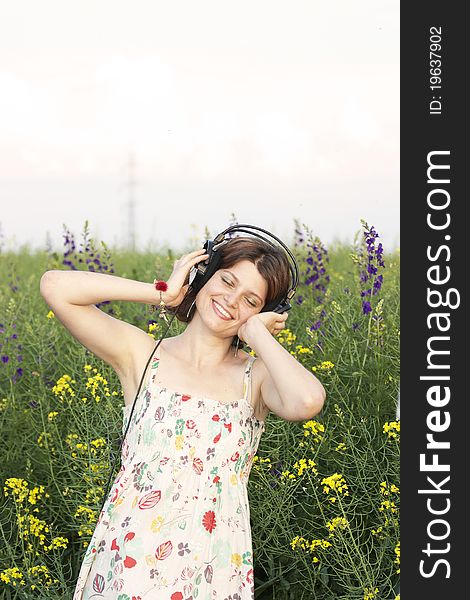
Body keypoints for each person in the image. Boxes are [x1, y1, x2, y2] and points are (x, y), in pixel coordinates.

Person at [40, 234, 326, 599]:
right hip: (130, 562)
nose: (231, 301)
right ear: (204, 274)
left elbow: (307, 400)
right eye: (227, 281)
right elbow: (55, 286)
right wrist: (164, 291)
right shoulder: (142, 355)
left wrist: (256, 334)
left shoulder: (256, 378)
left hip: (211, 569)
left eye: (250, 300)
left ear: (266, 313)